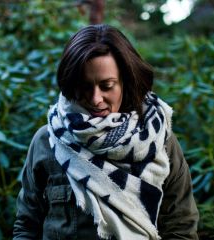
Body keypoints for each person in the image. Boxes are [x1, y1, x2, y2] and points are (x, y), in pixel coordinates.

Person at [13, 24, 199, 240]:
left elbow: (181, 228)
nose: (95, 99)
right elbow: (27, 226)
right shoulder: (48, 140)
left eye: (107, 85)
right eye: (84, 86)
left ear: (125, 82)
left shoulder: (159, 142)